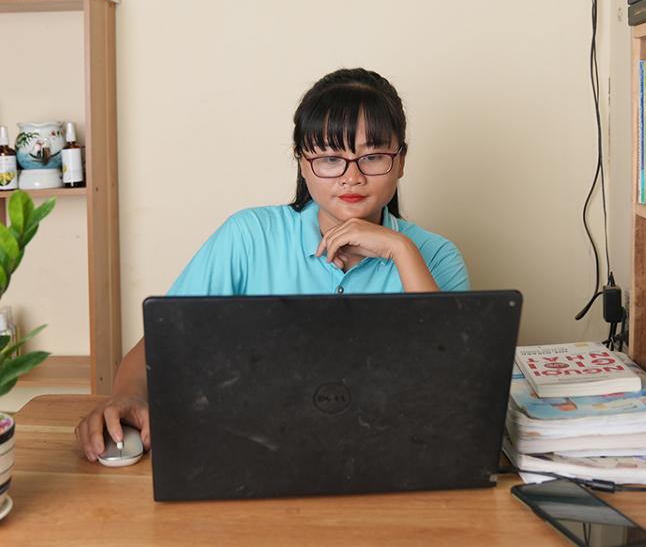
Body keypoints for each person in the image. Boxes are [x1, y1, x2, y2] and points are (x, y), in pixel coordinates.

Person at [74, 68, 470, 461]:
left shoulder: (434, 256)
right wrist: (127, 396)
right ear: (302, 162)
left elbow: (453, 383)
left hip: (390, 456)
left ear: (400, 162)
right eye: (331, 158)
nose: (351, 177)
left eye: (372, 156)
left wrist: (401, 251)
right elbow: (160, 344)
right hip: (257, 453)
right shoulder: (248, 237)